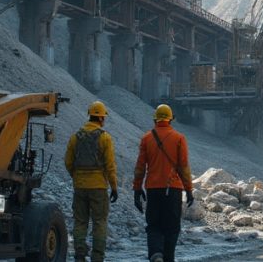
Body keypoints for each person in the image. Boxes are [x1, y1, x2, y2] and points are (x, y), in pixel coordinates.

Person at [133, 104, 194, 262]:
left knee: (153, 226)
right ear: (171, 120)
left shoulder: (146, 138)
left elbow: (140, 167)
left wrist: (137, 190)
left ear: (155, 119)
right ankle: (168, 258)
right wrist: (188, 190)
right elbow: (184, 167)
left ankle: (156, 254)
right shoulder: (179, 138)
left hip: (153, 190)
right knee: (172, 228)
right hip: (173, 190)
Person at [65, 101, 119, 262]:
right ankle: (97, 257)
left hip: (80, 186)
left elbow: (68, 161)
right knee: (100, 222)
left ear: (90, 115)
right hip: (98, 188)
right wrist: (114, 187)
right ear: (102, 118)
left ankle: (80, 254)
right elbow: (110, 166)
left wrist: (76, 177)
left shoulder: (75, 137)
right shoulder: (105, 138)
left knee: (80, 221)